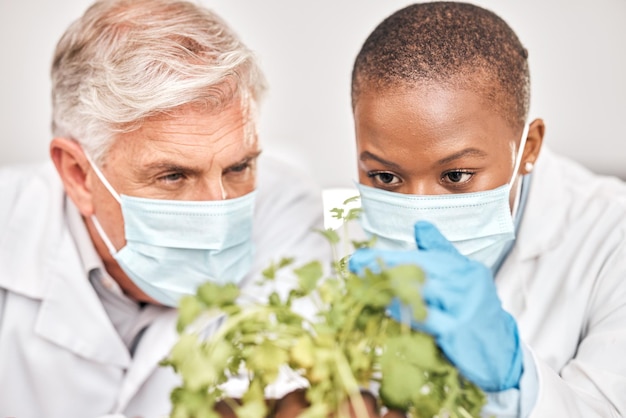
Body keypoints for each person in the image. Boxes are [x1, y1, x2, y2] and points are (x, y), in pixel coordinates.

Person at [0, 0, 329, 417]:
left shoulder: (285, 207)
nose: (218, 215)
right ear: (78, 175)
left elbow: (296, 386)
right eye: (173, 176)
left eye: (238, 167)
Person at [344, 2, 626, 417]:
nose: (419, 213)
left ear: (528, 148)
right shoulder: (335, 234)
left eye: (456, 175)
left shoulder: (611, 237)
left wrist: (517, 382)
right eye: (386, 177)